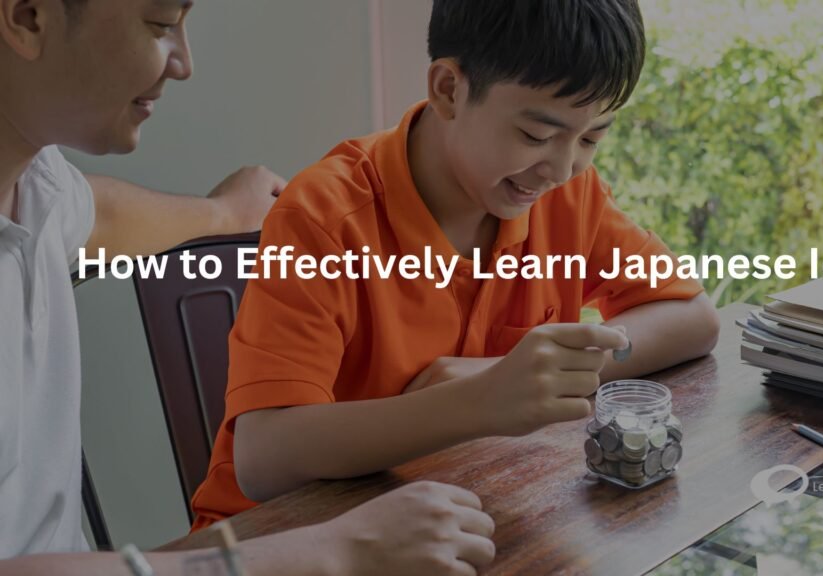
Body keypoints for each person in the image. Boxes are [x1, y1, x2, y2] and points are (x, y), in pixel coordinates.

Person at [0, 0, 495, 574]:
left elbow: (96, 216)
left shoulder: (38, 184)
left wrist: (220, 212)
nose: (183, 62)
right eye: (160, 25)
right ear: (29, 16)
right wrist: (331, 550)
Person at [191, 0, 720, 530]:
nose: (561, 168)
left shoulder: (564, 197)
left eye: (591, 138)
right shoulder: (324, 219)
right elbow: (264, 460)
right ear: (448, 89)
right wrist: (478, 402)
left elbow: (691, 318)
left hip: (454, 514)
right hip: (278, 541)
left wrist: (518, 375)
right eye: (536, 136)